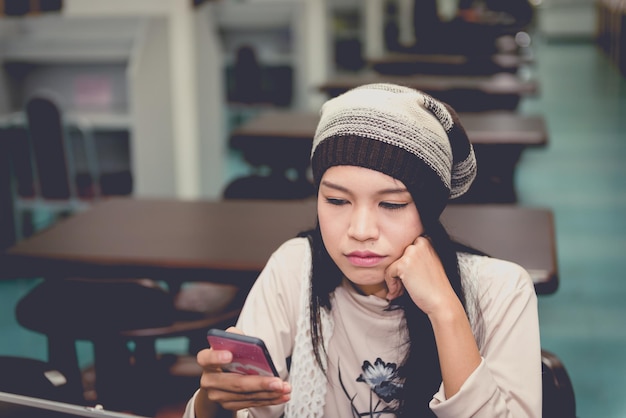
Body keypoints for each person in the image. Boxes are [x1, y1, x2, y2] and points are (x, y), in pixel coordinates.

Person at [184, 83, 541, 417]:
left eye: (391, 204)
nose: (360, 231)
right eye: (337, 200)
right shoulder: (295, 267)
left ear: (428, 211)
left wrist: (445, 311)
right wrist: (212, 403)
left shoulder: (500, 290)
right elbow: (242, 404)